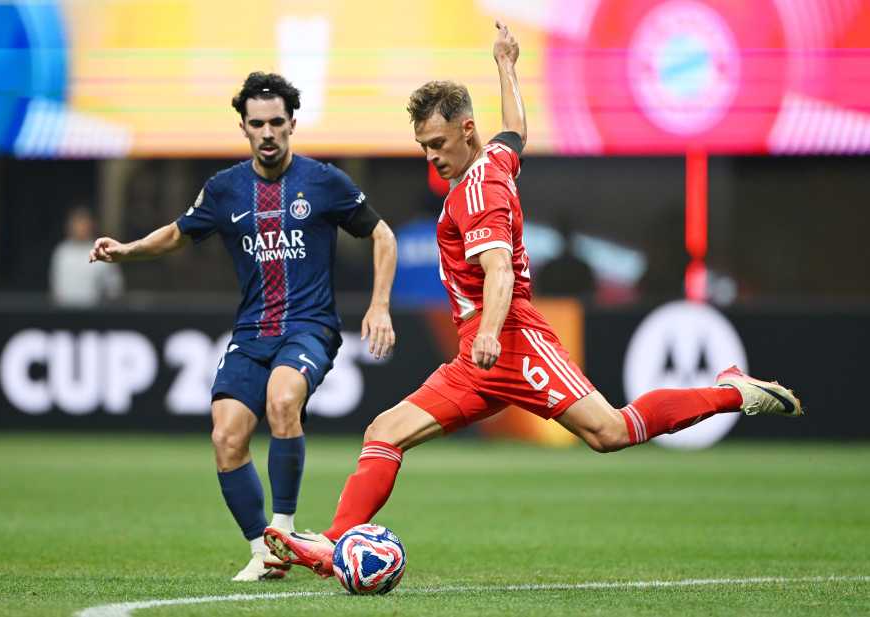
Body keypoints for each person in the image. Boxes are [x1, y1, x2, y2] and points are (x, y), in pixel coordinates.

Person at [263, 22, 803, 577]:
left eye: (438, 145)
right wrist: (506, 64)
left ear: (466, 130)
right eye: (424, 147)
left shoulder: (478, 191)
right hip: (476, 355)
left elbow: (498, 271)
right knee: (385, 431)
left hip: (513, 342)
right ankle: (333, 545)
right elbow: (515, 130)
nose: (432, 158)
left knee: (609, 432)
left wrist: (494, 332)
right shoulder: (493, 160)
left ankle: (729, 392)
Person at [89, 72, 397, 581]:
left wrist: (379, 305)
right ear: (244, 128)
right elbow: (180, 234)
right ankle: (264, 552)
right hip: (252, 333)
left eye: (278, 121)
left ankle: (285, 529)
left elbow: (381, 235)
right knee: (226, 437)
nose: (269, 132)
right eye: (258, 124)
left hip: (309, 326)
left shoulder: (324, 182)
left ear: (293, 123)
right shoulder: (226, 189)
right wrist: (128, 250)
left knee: (281, 401)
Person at [50, 206, 124, 307]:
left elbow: (114, 288)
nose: (80, 228)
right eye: (77, 223)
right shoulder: (62, 251)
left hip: (94, 314)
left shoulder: (102, 251)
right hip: (65, 313)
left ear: (91, 225)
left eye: (83, 223)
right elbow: (55, 287)